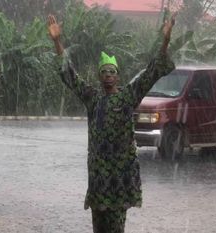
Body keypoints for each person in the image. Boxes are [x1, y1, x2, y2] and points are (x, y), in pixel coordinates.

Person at [47, 12, 175, 233]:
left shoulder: (128, 96)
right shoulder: (93, 99)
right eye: (104, 72)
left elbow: (151, 72)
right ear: (99, 76)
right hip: (98, 179)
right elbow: (69, 75)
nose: (108, 75)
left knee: (116, 229)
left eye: (112, 72)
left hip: (118, 179)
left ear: (117, 76)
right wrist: (57, 41)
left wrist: (165, 41)